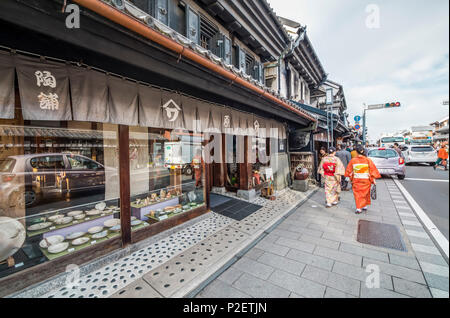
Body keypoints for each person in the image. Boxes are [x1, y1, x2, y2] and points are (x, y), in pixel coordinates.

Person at [345, 144, 381, 214]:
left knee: (357, 194)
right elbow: (372, 170)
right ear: (362, 151)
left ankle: (358, 208)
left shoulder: (353, 160)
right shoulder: (368, 160)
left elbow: (349, 170)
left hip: (356, 179)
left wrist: (349, 178)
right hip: (366, 179)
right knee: (366, 193)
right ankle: (364, 206)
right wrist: (373, 179)